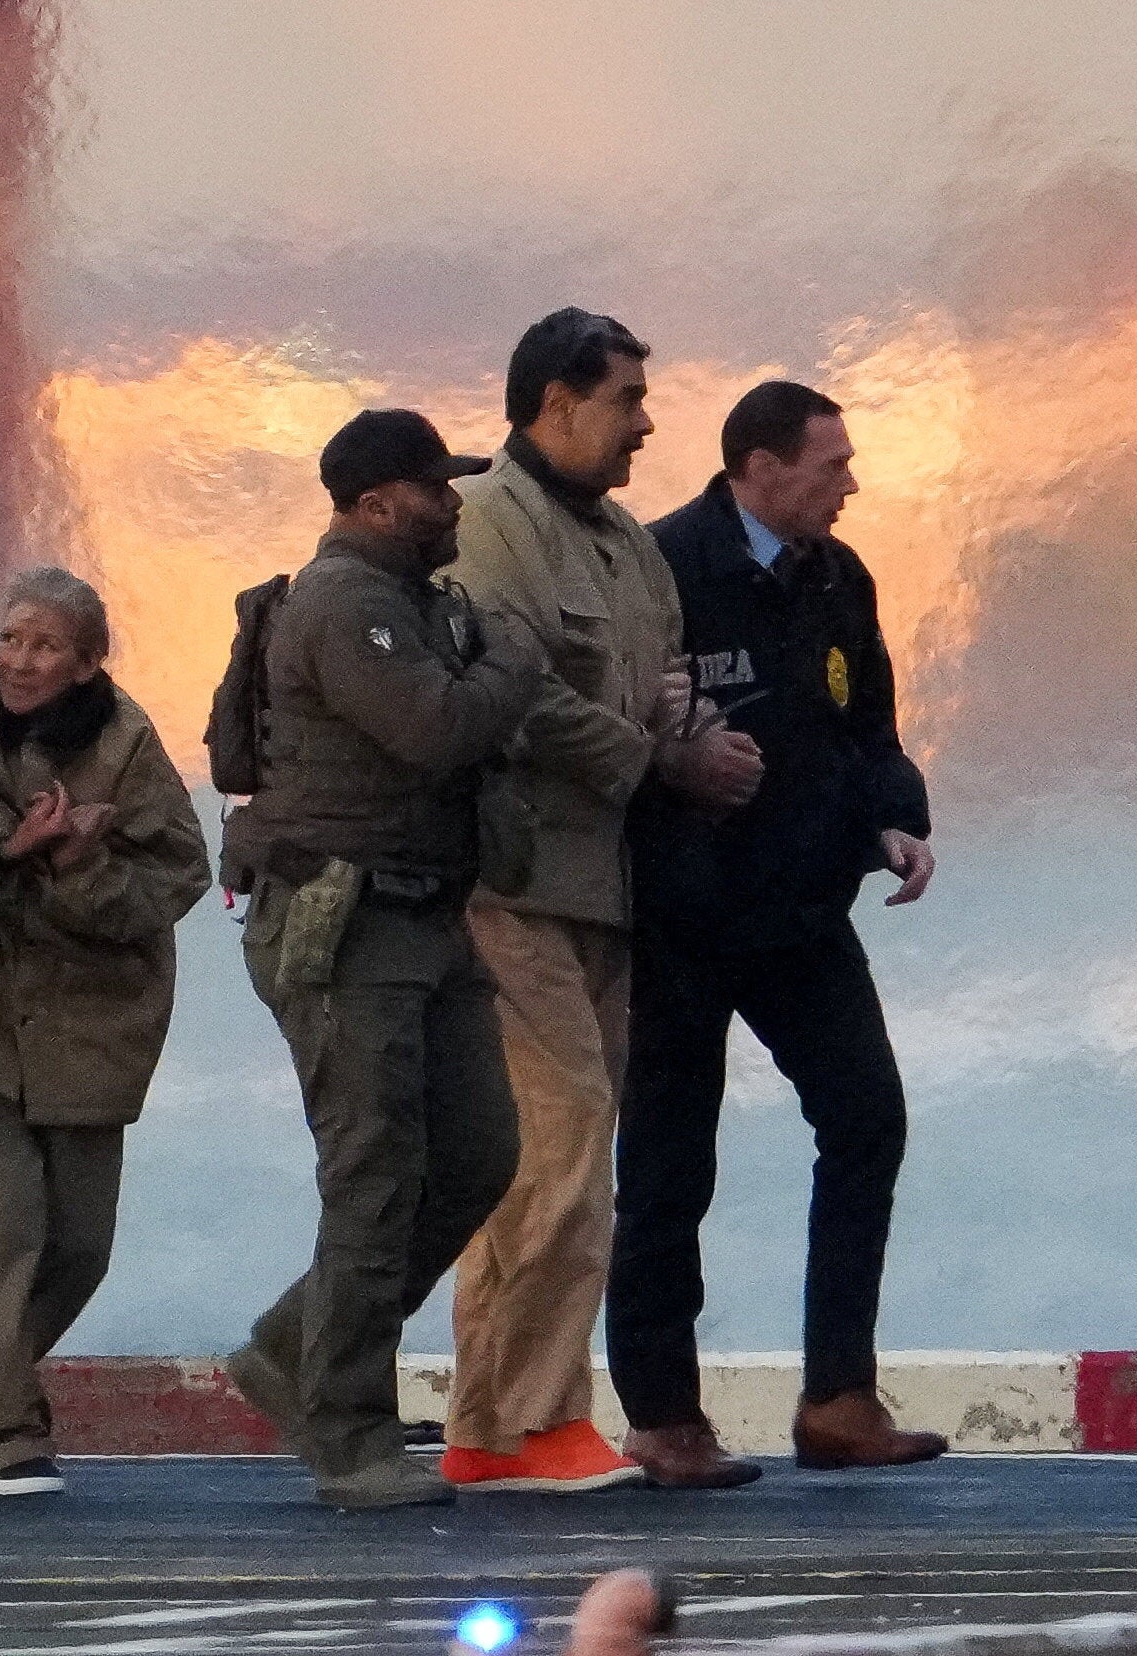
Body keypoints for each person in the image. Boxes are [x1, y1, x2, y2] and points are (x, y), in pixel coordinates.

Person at [440, 309, 761, 1492]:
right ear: (555, 402)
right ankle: (540, 1424)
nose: (645, 424)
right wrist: (662, 760)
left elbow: (663, 683)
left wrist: (703, 737)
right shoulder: (483, 523)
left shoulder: (626, 544)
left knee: (536, 1166)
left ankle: (483, 1431)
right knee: (567, 1147)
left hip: (605, 893)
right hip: (510, 885)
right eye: (625, 399)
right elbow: (513, 697)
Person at [607, 381, 944, 1488]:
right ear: (759, 467)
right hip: (683, 915)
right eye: (830, 464)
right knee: (669, 1165)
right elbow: (609, 728)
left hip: (800, 910)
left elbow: (867, 726)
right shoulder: (660, 567)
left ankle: (838, 1398)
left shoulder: (838, 576)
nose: (850, 484)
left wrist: (895, 819)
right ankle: (663, 1416)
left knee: (867, 1119)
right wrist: (675, 766)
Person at [217, 408, 543, 1510]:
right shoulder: (346, 604)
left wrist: (490, 659)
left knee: (478, 1155)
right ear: (369, 503)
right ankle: (349, 1434)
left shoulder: (415, 604)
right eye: (429, 488)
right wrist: (516, 657)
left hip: (423, 914)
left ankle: (292, 1350)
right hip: (344, 923)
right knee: (374, 1172)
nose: (449, 505)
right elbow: (438, 729)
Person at [0, 566, 209, 1498]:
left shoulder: (127, 742)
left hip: (85, 1017)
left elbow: (178, 875)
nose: (19, 659)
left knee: (79, 1248)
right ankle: (8, 1436)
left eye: (46, 645)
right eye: (11, 637)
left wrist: (80, 863)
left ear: (88, 662)